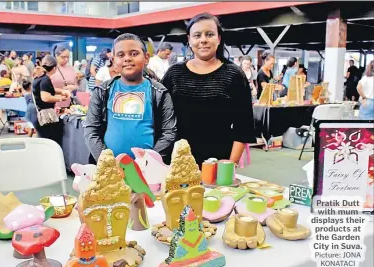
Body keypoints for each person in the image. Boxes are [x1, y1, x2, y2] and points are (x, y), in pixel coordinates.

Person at [162, 13, 255, 166]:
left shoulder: (234, 74)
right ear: (189, 40)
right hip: (176, 161)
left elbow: (243, 127)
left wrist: (230, 165)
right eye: (197, 35)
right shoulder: (174, 73)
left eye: (209, 34)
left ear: (218, 39)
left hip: (217, 161)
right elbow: (161, 118)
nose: (203, 40)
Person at [84, 33, 177, 164]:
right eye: (121, 55)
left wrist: (148, 162)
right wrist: (107, 163)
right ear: (113, 61)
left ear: (146, 58)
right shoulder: (102, 91)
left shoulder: (160, 93)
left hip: (148, 171)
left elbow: (169, 132)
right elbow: (91, 130)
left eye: (134, 54)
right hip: (108, 170)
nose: (127, 59)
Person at [31, 55, 70, 146]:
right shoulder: (45, 79)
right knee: (52, 143)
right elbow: (45, 97)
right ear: (55, 67)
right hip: (46, 117)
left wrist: (62, 91)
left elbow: (49, 89)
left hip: (39, 114)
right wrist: (62, 98)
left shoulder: (40, 77)